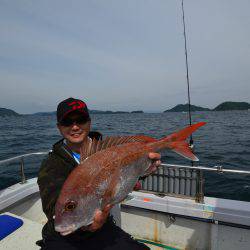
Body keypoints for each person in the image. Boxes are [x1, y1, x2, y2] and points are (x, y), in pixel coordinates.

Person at [37, 97, 161, 250]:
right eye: (67, 122)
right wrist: (85, 225)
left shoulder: (107, 150)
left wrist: (144, 171)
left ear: (89, 121)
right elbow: (53, 207)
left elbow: (123, 173)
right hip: (66, 235)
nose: (75, 127)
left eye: (81, 120)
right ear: (59, 127)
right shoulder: (52, 164)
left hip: (103, 227)